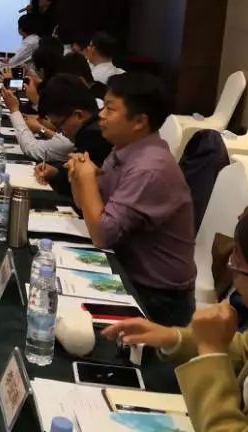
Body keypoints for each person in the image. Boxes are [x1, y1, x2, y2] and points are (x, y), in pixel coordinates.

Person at [103, 195, 248, 432]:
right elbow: (244, 351)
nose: (230, 268)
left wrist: (210, 351)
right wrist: (172, 337)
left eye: (238, 266)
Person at [66, 72, 196, 326]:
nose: (101, 115)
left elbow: (102, 235)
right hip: (127, 269)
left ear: (139, 121)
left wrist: (88, 178)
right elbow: (88, 209)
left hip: (158, 298)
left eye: (110, 109)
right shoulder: (124, 148)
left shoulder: (149, 168)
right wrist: (78, 177)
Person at [33, 73, 112, 198]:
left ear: (78, 115)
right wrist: (56, 172)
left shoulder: (93, 135)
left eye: (59, 126)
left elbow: (80, 182)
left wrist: (59, 175)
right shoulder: (90, 128)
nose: (60, 132)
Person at [1, 83, 74, 164]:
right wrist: (41, 129)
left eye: (58, 125)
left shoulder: (72, 141)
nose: (60, 131)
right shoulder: (71, 125)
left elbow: (31, 148)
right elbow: (62, 139)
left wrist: (14, 110)